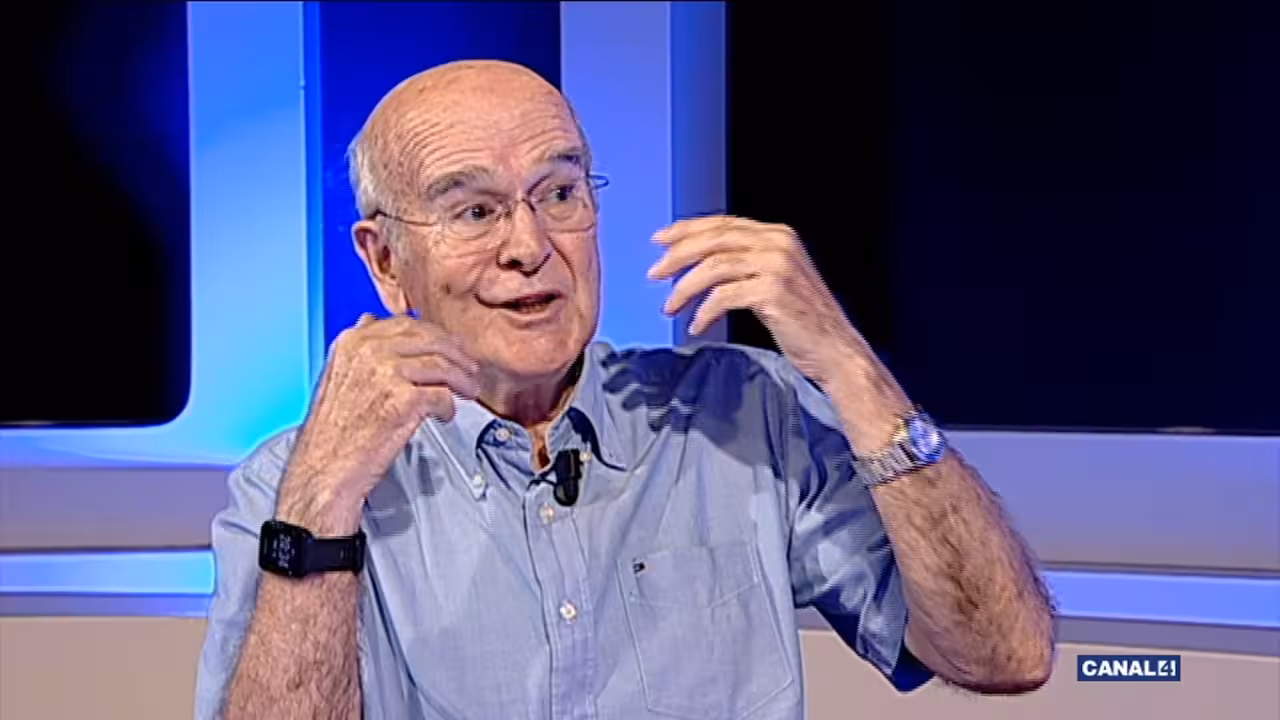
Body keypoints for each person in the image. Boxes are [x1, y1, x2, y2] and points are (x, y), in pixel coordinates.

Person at [194, 59, 1054, 720]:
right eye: (475, 211)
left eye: (559, 193)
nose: (529, 245)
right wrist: (323, 503)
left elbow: (1005, 654)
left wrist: (850, 366)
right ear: (386, 261)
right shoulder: (295, 485)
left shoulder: (741, 417)